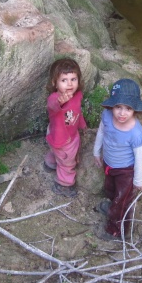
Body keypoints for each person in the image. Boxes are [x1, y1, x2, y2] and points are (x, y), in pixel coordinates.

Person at [93, 78, 142, 241]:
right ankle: (112, 207)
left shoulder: (136, 133)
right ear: (112, 106)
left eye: (128, 108)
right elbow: (101, 133)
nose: (122, 113)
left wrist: (138, 180)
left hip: (126, 171)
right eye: (118, 107)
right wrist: (96, 151)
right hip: (109, 163)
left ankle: (116, 230)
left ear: (135, 111)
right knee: (110, 189)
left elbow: (140, 158)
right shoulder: (107, 116)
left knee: (122, 200)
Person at [44, 58, 86, 197]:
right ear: (54, 83)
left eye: (73, 79)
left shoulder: (77, 95)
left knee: (57, 153)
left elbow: (77, 111)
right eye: (64, 80)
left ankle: (50, 163)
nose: (69, 84)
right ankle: (64, 184)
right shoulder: (54, 98)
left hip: (60, 133)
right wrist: (60, 101)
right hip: (63, 140)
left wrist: (82, 124)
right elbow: (52, 105)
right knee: (67, 163)